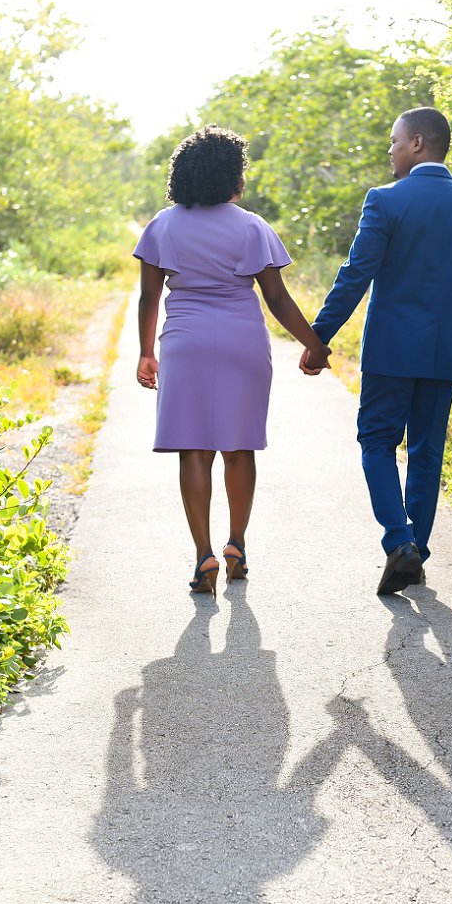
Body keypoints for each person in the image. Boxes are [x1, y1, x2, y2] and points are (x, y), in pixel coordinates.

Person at [304, 107, 452, 596]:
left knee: (376, 441)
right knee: (427, 452)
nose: (388, 150)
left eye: (393, 141)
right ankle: (416, 551)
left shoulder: (385, 202)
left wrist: (318, 337)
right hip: (444, 354)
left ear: (416, 144)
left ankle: (399, 542)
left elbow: (355, 274)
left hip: (391, 351)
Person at [134, 126, 332, 595]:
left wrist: (146, 352)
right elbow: (278, 299)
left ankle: (203, 554)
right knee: (238, 448)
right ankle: (236, 546)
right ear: (232, 177)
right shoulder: (251, 226)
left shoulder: (162, 225)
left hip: (185, 344)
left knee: (194, 448)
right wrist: (315, 344)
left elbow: (148, 298)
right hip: (242, 342)